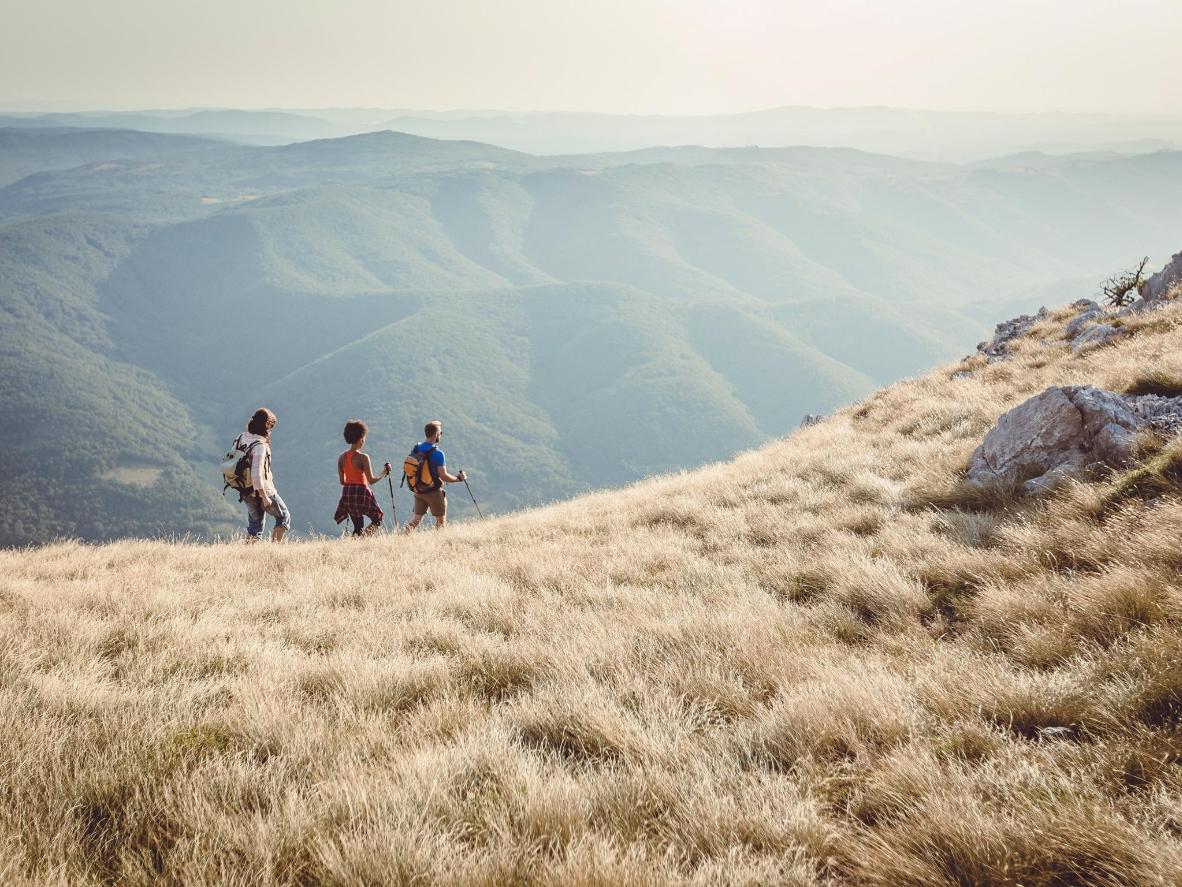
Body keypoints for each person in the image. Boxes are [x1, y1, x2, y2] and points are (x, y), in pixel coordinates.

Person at [237, 408, 291, 542]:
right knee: (283, 517)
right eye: (271, 426)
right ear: (266, 424)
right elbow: (256, 473)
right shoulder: (260, 446)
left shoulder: (241, 438)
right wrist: (264, 496)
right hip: (262, 490)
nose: (271, 430)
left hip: (245, 489)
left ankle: (247, 557)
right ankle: (274, 549)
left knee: (255, 527)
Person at [404, 419, 467, 532]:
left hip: (418, 489)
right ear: (436, 434)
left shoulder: (416, 448)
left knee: (416, 519)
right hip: (433, 492)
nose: (441, 435)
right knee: (440, 520)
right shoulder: (438, 453)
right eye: (441, 433)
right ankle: (439, 542)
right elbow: (443, 476)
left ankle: (401, 538)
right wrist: (458, 479)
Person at [334, 419, 391, 537]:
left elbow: (342, 481)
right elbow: (371, 480)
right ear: (361, 438)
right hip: (362, 492)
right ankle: (363, 540)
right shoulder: (363, 457)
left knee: (357, 526)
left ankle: (357, 541)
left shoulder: (341, 457)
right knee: (378, 518)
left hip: (347, 493)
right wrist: (384, 471)